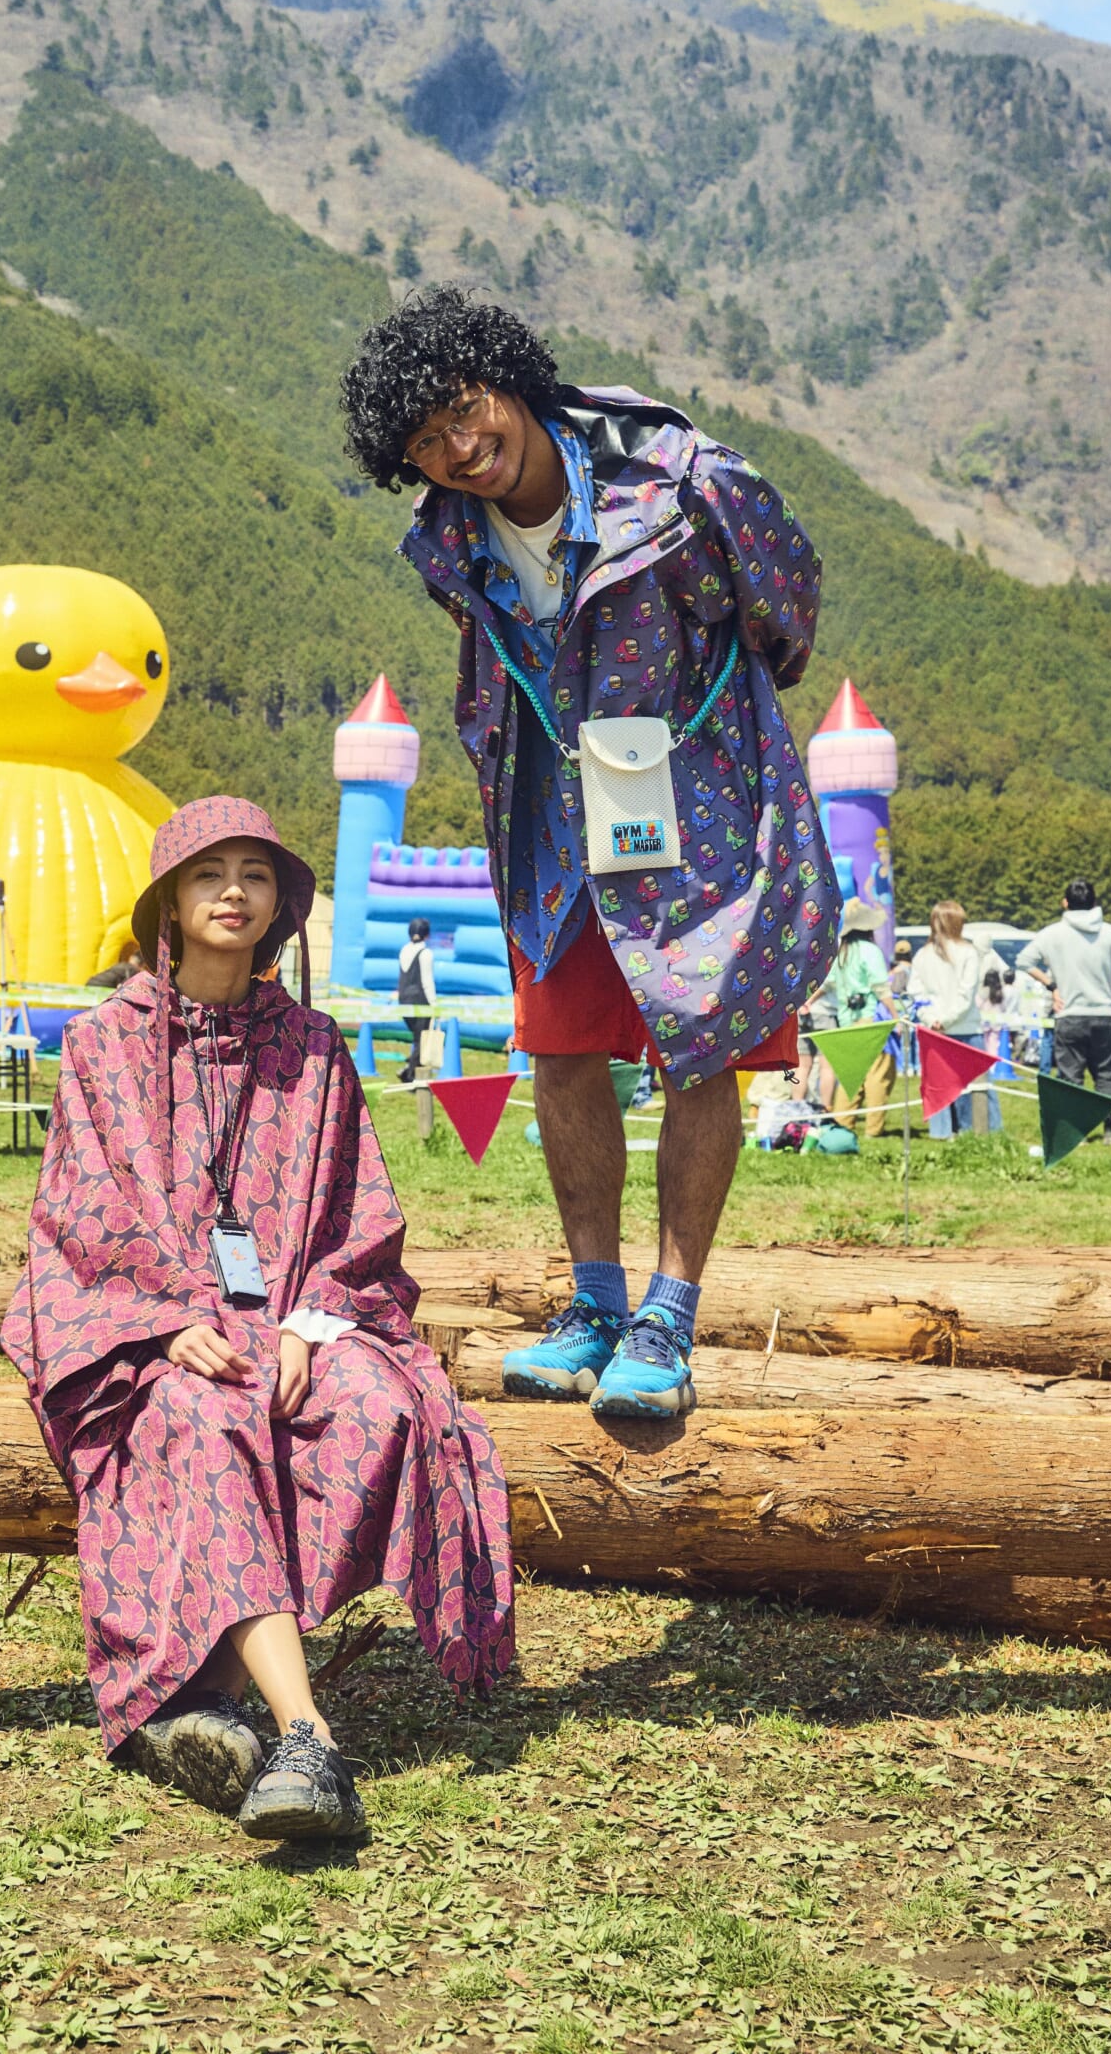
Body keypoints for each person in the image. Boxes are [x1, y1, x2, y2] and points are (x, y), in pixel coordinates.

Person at [339, 289, 837, 1417]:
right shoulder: (445, 537)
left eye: (465, 409)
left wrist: (715, 725)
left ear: (507, 378)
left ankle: (669, 1313)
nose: (460, 447)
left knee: (700, 1049)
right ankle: (595, 1303)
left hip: (701, 801)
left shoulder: (680, 481)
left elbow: (786, 599)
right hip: (553, 816)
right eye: (425, 440)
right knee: (561, 1050)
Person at [2, 796, 513, 1842]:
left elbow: (358, 1208)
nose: (232, 892)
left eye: (255, 873)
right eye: (208, 873)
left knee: (379, 1409)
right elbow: (78, 1209)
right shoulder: (101, 1044)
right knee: (207, 1416)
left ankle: (201, 1696)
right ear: (169, 901)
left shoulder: (315, 1047)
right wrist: (161, 1321)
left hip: (295, 1313)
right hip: (148, 1325)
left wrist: (310, 1324)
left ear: (282, 902)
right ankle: (306, 1734)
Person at [1017, 880, 1111, 1144]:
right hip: (1102, 1014)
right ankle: (1110, 1130)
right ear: (1094, 902)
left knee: (1070, 1077)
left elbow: (1024, 961)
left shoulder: (1051, 934)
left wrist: (1052, 986)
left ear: (1065, 903)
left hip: (1068, 1014)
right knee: (1105, 1075)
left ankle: (1075, 1133)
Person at [908, 902, 1001, 1138]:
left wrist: (932, 1019)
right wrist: (945, 1021)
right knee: (976, 1087)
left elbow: (916, 993)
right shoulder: (968, 952)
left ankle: (942, 1132)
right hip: (965, 1029)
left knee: (939, 1086)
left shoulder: (921, 955)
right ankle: (981, 1132)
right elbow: (966, 995)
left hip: (934, 1030)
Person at [821, 900, 897, 1137]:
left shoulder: (841, 952)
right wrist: (895, 1016)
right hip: (869, 1020)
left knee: (850, 1076)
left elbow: (827, 984)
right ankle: (873, 1129)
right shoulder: (870, 951)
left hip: (846, 1022)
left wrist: (808, 1002)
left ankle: (843, 1125)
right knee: (877, 1076)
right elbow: (880, 987)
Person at [396, 915, 435, 1083]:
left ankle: (410, 1070)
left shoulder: (404, 949)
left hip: (403, 999)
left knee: (418, 1038)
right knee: (422, 1040)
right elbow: (427, 981)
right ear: (427, 934)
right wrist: (434, 1004)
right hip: (420, 1000)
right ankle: (409, 1074)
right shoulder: (426, 953)